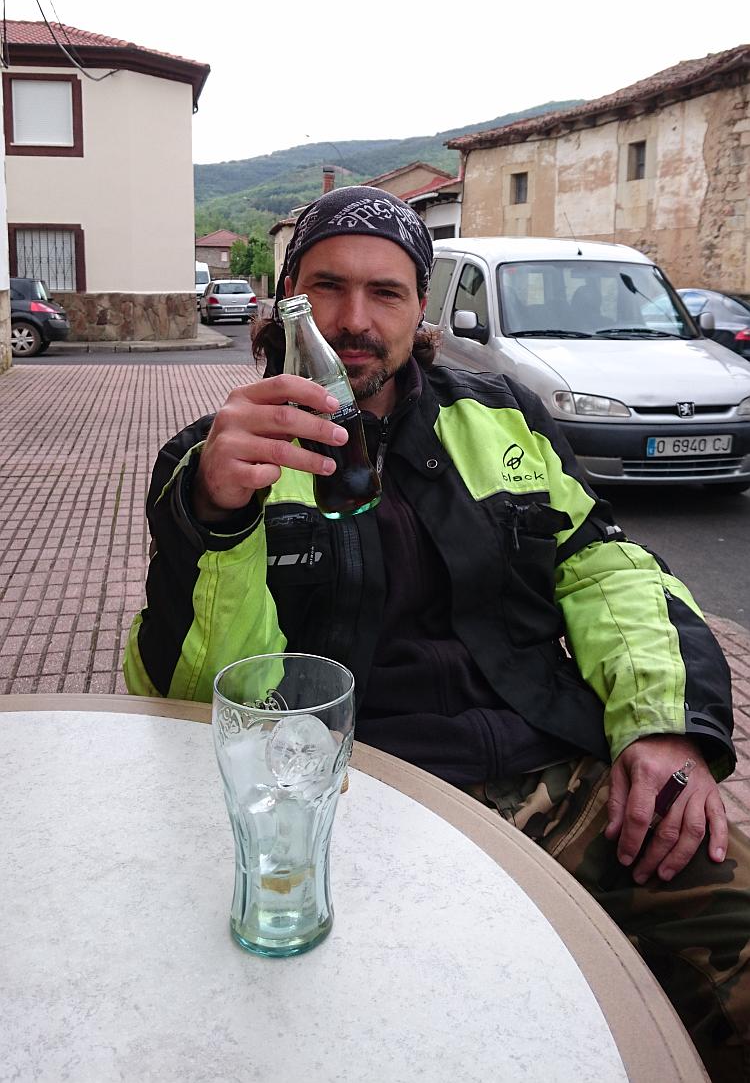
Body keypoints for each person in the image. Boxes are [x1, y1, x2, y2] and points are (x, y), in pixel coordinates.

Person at [125, 185, 749, 1080]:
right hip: (368, 805)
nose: (354, 319)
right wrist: (216, 517)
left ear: (421, 307)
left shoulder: (501, 416)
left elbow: (607, 568)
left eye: (385, 291)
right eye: (328, 286)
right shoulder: (222, 457)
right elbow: (192, 695)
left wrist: (664, 724)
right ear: (286, 298)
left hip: (568, 780)